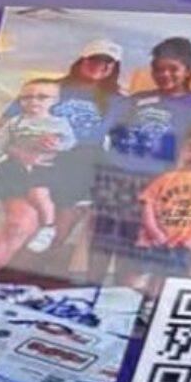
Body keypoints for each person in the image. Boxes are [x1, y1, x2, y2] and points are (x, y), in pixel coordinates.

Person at [92, 36, 191, 276]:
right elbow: (109, 133)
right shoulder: (137, 99)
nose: (164, 74)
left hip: (157, 186)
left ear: (188, 70)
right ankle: (86, 296)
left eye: (173, 69)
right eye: (158, 69)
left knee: (136, 254)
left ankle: (121, 305)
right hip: (116, 181)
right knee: (101, 247)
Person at [0, 76, 75, 282]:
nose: (33, 102)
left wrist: (57, 146)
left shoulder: (60, 123)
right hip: (16, 169)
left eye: (42, 98)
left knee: (35, 211)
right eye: (26, 98)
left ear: (55, 101)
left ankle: (47, 229)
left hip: (55, 170)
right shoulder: (14, 122)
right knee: (1, 211)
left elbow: (70, 142)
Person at [37, 41, 125, 279]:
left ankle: (39, 267)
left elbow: (125, 139)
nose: (101, 66)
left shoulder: (118, 100)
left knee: (63, 219)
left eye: (108, 63)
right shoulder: (50, 87)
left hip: (83, 161)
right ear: (82, 61)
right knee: (29, 216)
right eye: (95, 59)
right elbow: (11, 122)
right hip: (42, 156)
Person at [123, 127, 191, 295]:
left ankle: (152, 306)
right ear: (184, 151)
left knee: (167, 279)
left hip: (183, 241)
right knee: (136, 275)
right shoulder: (167, 178)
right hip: (152, 240)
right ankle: (125, 303)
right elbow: (147, 205)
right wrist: (154, 231)